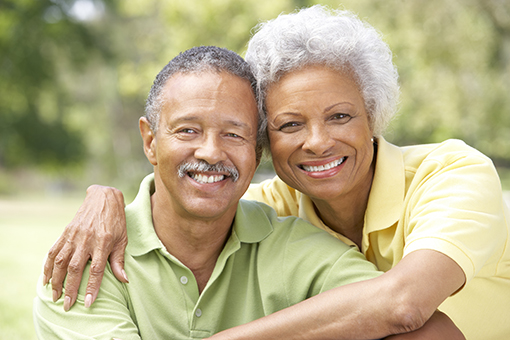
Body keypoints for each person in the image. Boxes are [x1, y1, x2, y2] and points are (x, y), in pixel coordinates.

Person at [42, 5, 510, 340]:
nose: (318, 141)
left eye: (341, 116)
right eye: (290, 124)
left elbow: (404, 306)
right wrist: (104, 198)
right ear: (267, 141)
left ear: (374, 117)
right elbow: (196, 196)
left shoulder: (451, 173)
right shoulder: (271, 212)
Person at [34, 45, 390, 339]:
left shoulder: (297, 249)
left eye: (234, 134)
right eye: (188, 130)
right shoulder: (86, 258)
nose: (211, 152)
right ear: (150, 141)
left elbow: (424, 325)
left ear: (257, 153)